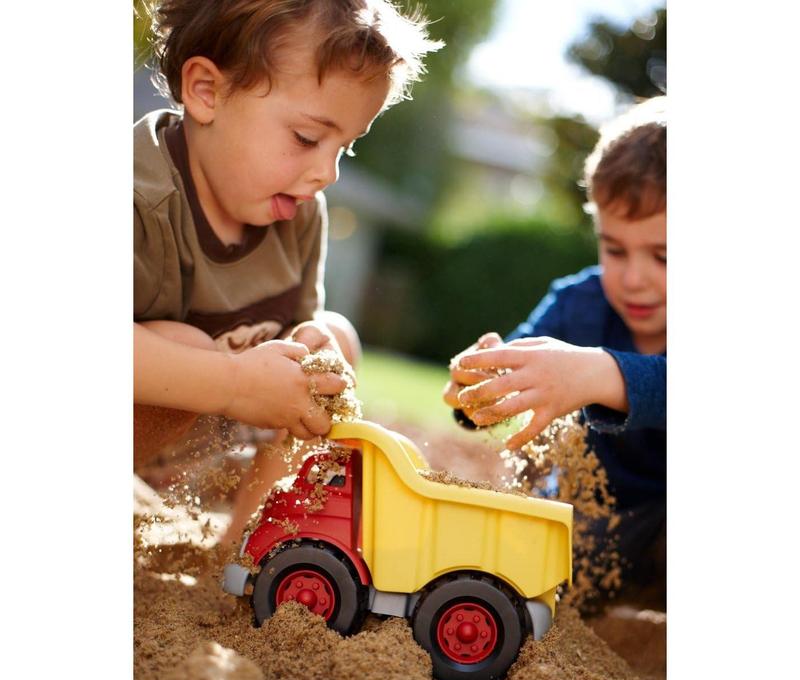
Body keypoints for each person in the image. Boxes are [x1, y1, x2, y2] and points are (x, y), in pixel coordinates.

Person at [134, 0, 441, 543]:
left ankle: (245, 548)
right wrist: (231, 382)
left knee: (334, 343)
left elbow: (300, 336)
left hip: (193, 454)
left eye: (344, 148)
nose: (326, 173)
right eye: (306, 138)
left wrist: (312, 339)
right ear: (206, 92)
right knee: (180, 341)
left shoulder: (297, 214)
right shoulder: (136, 199)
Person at [445, 96, 666, 590]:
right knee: (521, 562)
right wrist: (476, 388)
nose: (634, 278)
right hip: (596, 529)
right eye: (615, 249)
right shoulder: (577, 304)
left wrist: (598, 372)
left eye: (664, 257)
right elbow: (507, 377)